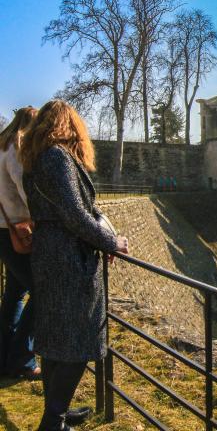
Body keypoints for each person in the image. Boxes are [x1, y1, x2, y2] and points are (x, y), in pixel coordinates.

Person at [21, 99, 129, 431]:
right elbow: (75, 214)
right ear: (70, 125)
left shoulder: (38, 158)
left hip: (50, 254)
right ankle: (53, 420)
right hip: (68, 258)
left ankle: (58, 414)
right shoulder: (57, 157)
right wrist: (112, 242)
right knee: (78, 339)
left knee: (56, 338)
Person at [0, 106, 38, 378]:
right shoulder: (16, 146)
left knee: (15, 293)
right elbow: (22, 185)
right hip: (15, 230)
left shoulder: (2, 145)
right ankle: (21, 359)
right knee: (43, 292)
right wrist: (40, 213)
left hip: (5, 228)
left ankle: (6, 355)